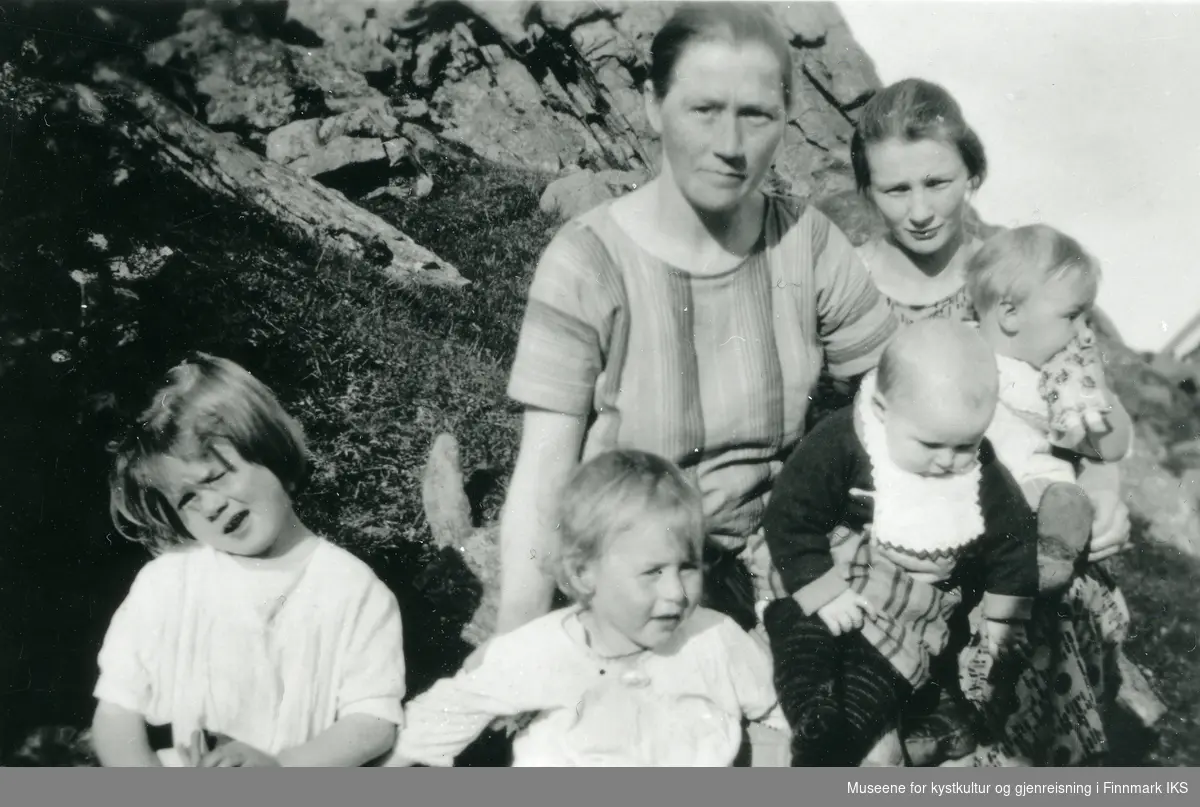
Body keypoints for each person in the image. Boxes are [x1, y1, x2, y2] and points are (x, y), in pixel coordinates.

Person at [494, 1, 896, 646]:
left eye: (756, 114)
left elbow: (891, 396)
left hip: (782, 549)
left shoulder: (807, 241)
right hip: (639, 564)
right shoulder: (587, 260)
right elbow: (543, 475)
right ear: (653, 106)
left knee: (860, 737)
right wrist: (514, 647)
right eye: (704, 110)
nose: (730, 147)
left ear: (785, 119)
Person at [848, 78, 1133, 766]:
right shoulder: (850, 277)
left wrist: (1105, 483)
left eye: (939, 182)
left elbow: (1089, 400)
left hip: (1021, 512)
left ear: (972, 172)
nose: (919, 211)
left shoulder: (1020, 269)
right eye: (894, 190)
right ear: (867, 192)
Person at [90, 354, 406, 767]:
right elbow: (116, 711)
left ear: (269, 452)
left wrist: (281, 770)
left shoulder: (354, 590)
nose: (211, 506)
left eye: (216, 477)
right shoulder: (169, 582)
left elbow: (373, 721)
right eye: (186, 499)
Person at [387, 450, 788, 767]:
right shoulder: (542, 650)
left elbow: (774, 708)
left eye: (687, 567)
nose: (676, 592)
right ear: (584, 575)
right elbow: (451, 710)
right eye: (651, 572)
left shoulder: (713, 638)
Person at [761, 320, 1038, 766]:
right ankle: (814, 714)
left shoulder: (977, 472)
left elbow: (1014, 536)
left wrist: (1007, 616)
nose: (948, 461)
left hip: (908, 605)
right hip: (833, 570)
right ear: (884, 410)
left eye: (966, 444)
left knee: (885, 670)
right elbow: (792, 512)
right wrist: (819, 587)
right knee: (805, 636)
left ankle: (843, 739)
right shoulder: (845, 442)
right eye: (930, 444)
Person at [962, 224, 1135, 764]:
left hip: (1045, 521)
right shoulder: (962, 358)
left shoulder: (1058, 378)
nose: (1084, 331)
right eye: (1072, 316)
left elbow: (1113, 444)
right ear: (1009, 315)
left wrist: (1092, 387)